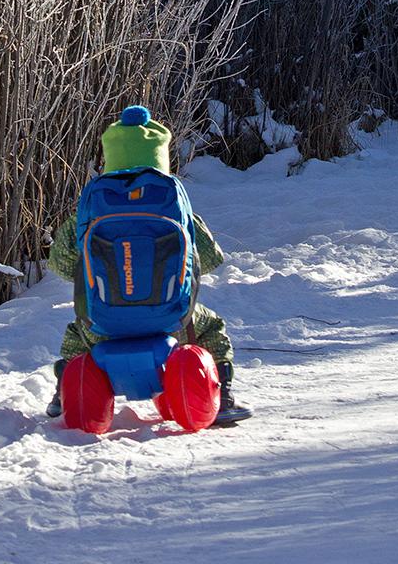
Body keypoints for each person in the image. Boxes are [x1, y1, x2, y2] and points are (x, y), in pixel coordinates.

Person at [44, 107, 252, 426]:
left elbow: (61, 265)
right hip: (173, 323)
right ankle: (221, 395)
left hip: (102, 325)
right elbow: (208, 260)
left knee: (76, 333)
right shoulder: (173, 203)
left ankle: (65, 393)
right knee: (211, 327)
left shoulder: (87, 212)